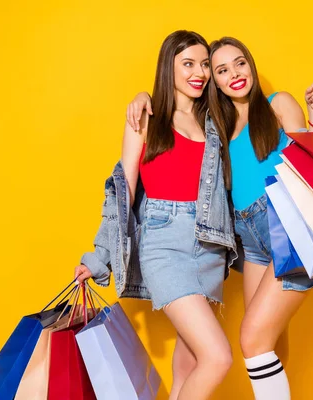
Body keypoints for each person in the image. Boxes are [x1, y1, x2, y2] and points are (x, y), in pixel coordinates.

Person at [127, 36, 313, 400]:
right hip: (247, 238)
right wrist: (145, 95)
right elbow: (171, 108)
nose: (233, 74)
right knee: (268, 339)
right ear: (215, 83)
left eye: (239, 63)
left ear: (250, 65)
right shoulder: (216, 125)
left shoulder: (277, 103)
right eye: (220, 70)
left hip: (287, 227)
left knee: (252, 338)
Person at [75, 30, 237, 400]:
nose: (200, 73)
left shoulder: (214, 122)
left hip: (210, 246)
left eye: (205, 65)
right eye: (188, 64)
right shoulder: (145, 119)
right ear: (170, 67)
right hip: (164, 245)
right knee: (217, 357)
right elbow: (124, 192)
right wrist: (99, 257)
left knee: (191, 364)